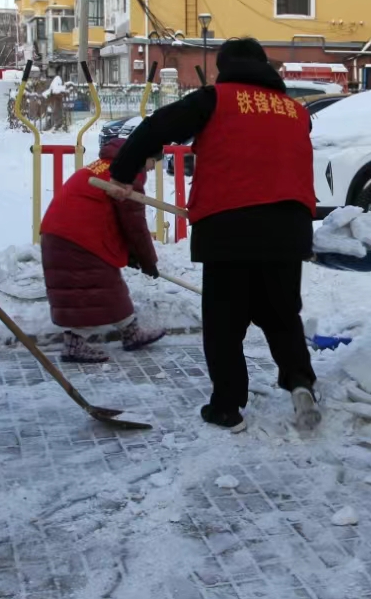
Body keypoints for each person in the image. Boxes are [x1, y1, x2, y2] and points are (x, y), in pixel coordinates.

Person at [106, 37, 318, 433]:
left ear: (224, 68)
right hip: (289, 227)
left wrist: (122, 174)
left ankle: (227, 406)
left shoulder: (214, 99)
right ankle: (300, 382)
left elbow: (156, 128)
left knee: (225, 323)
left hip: (229, 226)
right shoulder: (296, 111)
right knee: (282, 314)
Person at [40, 137, 166, 361]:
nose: (151, 167)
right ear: (143, 157)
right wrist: (148, 261)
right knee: (91, 291)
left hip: (63, 232)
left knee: (108, 285)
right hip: (77, 237)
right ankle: (75, 343)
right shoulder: (125, 176)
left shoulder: (106, 167)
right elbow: (134, 225)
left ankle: (131, 332)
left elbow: (114, 218)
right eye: (153, 161)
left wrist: (133, 255)